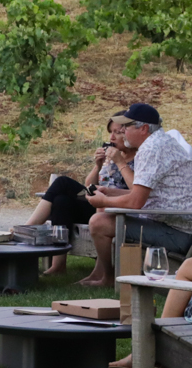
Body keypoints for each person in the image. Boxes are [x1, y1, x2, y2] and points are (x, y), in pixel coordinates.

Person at [78, 103, 192, 288]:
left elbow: (136, 201)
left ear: (144, 129)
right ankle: (105, 275)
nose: (122, 131)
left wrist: (103, 200)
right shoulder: (159, 143)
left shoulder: (151, 149)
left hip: (177, 232)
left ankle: (108, 278)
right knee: (104, 215)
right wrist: (110, 192)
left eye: (126, 127)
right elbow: (143, 194)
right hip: (171, 223)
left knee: (99, 223)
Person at [26, 112, 136, 275]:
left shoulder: (138, 158)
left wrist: (120, 162)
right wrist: (97, 166)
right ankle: (58, 265)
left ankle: (26, 230)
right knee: (61, 201)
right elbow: (89, 185)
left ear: (128, 133)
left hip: (116, 210)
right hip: (97, 206)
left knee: (62, 183)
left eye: (117, 132)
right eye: (110, 132)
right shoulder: (112, 155)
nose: (112, 137)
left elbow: (135, 190)